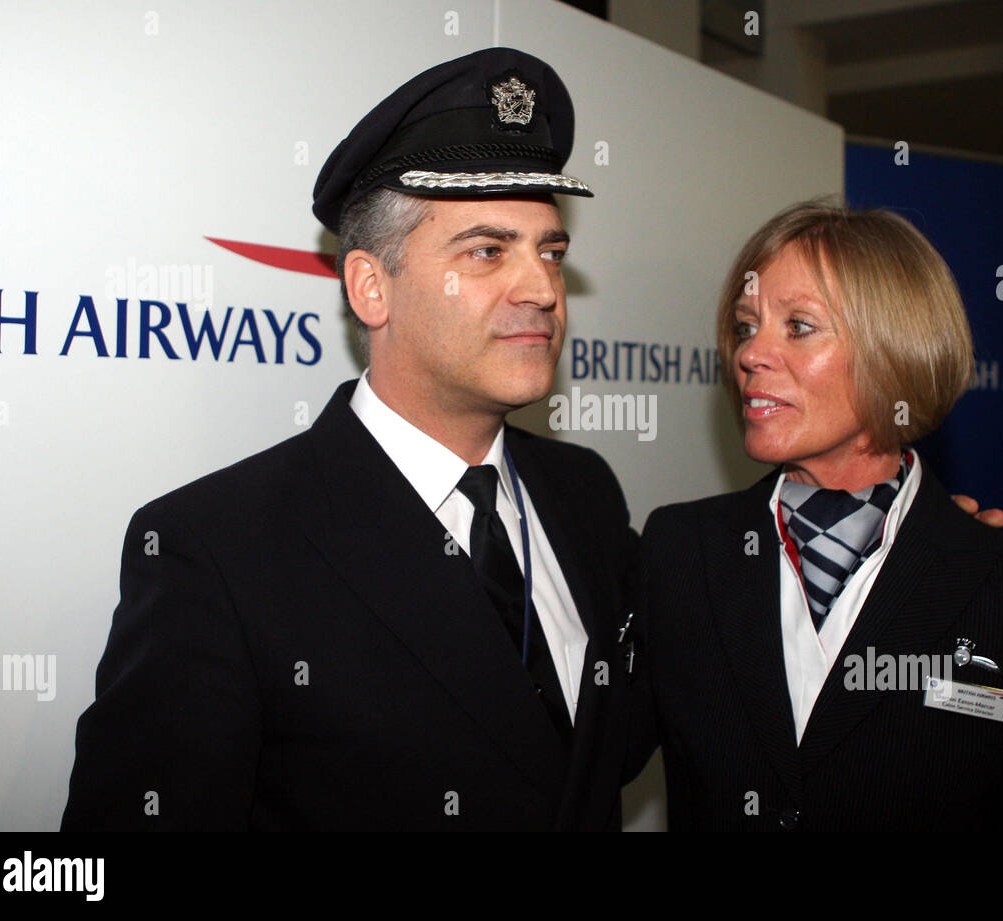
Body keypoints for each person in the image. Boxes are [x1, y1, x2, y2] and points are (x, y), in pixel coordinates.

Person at [61, 48, 638, 831]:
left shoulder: (584, 493)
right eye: (487, 251)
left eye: (550, 253)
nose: (540, 289)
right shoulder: (217, 552)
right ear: (371, 287)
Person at [626, 200, 1003, 831]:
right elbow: (585, 761)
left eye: (798, 326)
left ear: (894, 350)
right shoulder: (681, 552)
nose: (750, 354)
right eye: (746, 326)